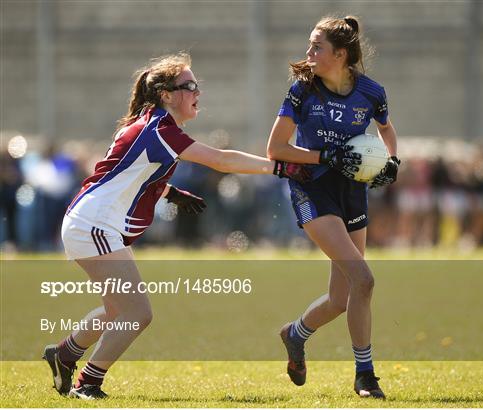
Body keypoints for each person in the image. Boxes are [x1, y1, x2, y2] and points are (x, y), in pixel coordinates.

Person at [43, 52, 310, 400]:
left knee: (116, 311)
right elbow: (220, 159)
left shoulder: (150, 124)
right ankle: (88, 383)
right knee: (137, 313)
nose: (197, 91)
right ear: (167, 94)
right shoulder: (160, 128)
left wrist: (169, 192)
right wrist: (278, 168)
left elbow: (126, 173)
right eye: (189, 86)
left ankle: (63, 355)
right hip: (93, 224)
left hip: (90, 222)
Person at [267, 15, 400, 399]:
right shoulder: (301, 91)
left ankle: (295, 334)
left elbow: (386, 129)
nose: (308, 53)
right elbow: (275, 149)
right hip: (312, 189)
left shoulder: (372, 92)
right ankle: (365, 375)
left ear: (340, 55)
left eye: (316, 47)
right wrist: (326, 154)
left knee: (342, 299)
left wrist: (392, 162)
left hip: (352, 191)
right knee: (365, 280)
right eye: (310, 45)